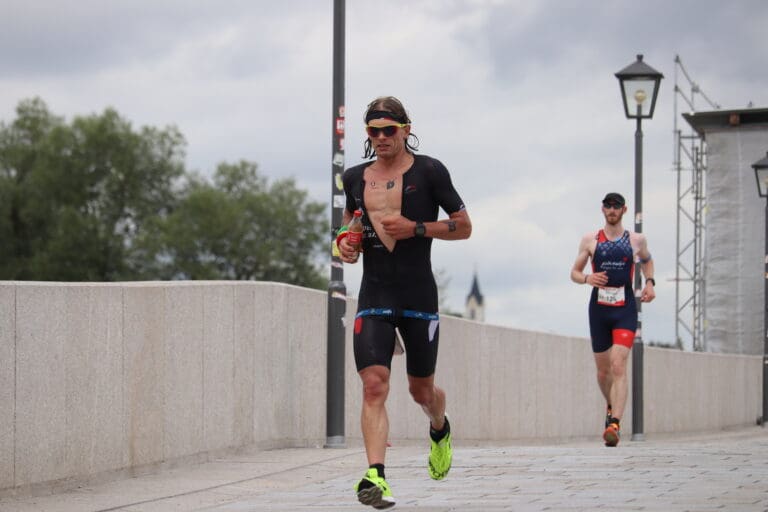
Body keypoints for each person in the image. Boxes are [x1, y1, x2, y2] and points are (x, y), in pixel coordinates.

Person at [336, 96, 472, 509]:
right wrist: (346, 245)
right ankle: (376, 474)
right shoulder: (355, 177)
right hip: (375, 294)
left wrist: (416, 228)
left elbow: (464, 226)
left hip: (417, 295)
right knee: (374, 384)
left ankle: (439, 427)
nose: (380, 138)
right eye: (373, 131)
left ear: (405, 129)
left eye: (388, 130)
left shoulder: (430, 171)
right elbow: (349, 228)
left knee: (420, 390)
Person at [570, 192, 656, 447]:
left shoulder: (636, 240)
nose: (612, 210)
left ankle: (615, 424)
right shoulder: (590, 240)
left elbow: (648, 261)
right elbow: (574, 272)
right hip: (599, 310)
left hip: (625, 309)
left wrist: (649, 283)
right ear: (603, 209)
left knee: (618, 365)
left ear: (624, 210)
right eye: (608, 206)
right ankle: (611, 405)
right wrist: (587, 278)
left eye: (616, 206)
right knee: (603, 372)